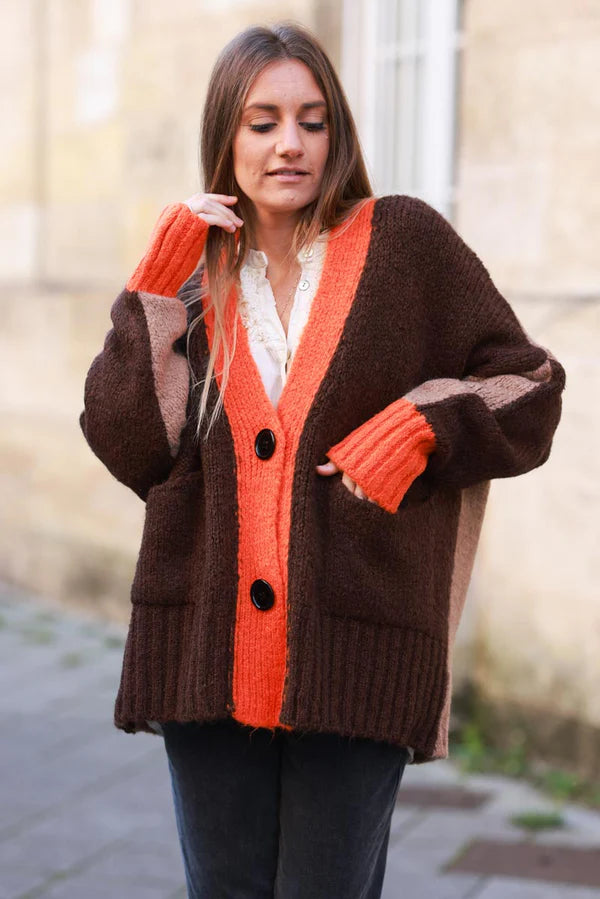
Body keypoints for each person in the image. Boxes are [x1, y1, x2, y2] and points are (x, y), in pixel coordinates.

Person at [78, 20, 567, 899]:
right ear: (226, 136)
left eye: (312, 120)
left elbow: (528, 383)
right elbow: (129, 445)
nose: (290, 145)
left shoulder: (404, 244)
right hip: (204, 651)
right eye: (262, 122)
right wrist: (151, 286)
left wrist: (417, 429)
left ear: (338, 131)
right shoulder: (192, 282)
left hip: (358, 651)